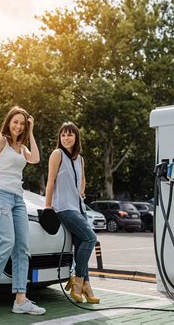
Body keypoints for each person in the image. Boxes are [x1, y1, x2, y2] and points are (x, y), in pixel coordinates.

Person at [0, 106, 46, 317]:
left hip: (17, 198)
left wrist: (31, 132)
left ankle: (20, 299)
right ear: (8, 122)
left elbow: (36, 159)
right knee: (7, 241)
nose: (18, 126)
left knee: (22, 247)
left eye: (22, 124)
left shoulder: (22, 147)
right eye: (16, 122)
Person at [44, 122, 100, 304]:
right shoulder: (57, 154)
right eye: (63, 135)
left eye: (70, 135)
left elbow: (82, 179)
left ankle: (85, 285)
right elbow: (50, 181)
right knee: (90, 239)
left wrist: (81, 191)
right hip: (63, 207)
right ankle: (78, 280)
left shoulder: (80, 159)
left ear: (76, 137)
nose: (66, 138)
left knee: (81, 246)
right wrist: (47, 205)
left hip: (79, 207)